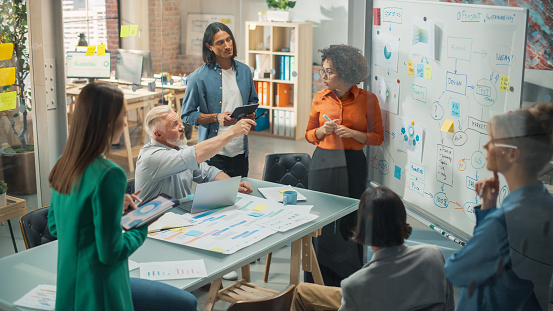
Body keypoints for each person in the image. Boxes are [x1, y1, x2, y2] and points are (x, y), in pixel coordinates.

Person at [47, 83, 197, 311]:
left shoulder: (63, 163)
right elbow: (111, 253)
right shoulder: (109, 174)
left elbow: (56, 226)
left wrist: (114, 209)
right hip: (102, 291)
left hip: (70, 287)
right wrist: (142, 223)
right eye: (123, 115)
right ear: (107, 122)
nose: (126, 123)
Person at [445, 103, 553, 310]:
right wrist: (488, 208)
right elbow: (503, 261)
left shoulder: (504, 221)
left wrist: (491, 216)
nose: (486, 146)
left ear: (513, 154)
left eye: (493, 140)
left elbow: (456, 270)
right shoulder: (544, 202)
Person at [292, 186, 454, 311]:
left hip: (366, 295)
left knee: (299, 292)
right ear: (402, 219)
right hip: (378, 297)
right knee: (304, 291)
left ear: (362, 227)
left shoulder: (355, 285)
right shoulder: (435, 255)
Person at [305, 44, 384, 286]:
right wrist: (321, 130)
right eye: (323, 71)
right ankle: (315, 279)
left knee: (351, 220)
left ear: (346, 74)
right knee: (320, 220)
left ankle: (350, 279)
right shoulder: (319, 98)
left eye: (329, 72)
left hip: (353, 163)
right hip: (322, 161)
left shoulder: (368, 100)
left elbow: (377, 137)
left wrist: (353, 133)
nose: (324, 76)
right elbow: (309, 134)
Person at [181, 22, 258, 178]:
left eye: (229, 40)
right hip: (213, 153)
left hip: (240, 151)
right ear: (209, 46)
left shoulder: (244, 71)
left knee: (240, 196)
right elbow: (187, 115)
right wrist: (216, 117)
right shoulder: (197, 78)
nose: (227, 45)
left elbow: (252, 101)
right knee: (216, 200)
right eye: (220, 42)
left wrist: (251, 114)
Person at [136, 105, 255, 202]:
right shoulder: (151, 157)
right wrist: (232, 132)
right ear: (158, 134)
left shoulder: (179, 147)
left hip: (177, 217)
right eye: (174, 125)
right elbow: (194, 154)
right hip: (152, 225)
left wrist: (233, 186)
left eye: (179, 122)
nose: (182, 127)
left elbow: (208, 173)